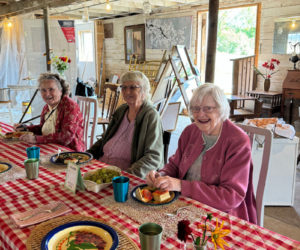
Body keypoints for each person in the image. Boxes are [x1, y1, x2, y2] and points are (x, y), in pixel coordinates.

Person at [146, 83, 257, 224]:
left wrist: (181, 185)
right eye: (196, 109)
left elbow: (230, 197)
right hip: (183, 204)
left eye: (208, 108)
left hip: (220, 215)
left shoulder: (238, 141)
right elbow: (174, 165)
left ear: (221, 109)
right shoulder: (190, 131)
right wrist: (160, 175)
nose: (200, 114)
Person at [87, 71, 164, 179]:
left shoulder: (150, 116)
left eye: (133, 87)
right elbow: (105, 139)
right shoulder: (121, 110)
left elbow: (154, 156)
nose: (127, 92)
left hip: (124, 175)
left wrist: (127, 176)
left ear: (144, 91)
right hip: (102, 168)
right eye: (124, 87)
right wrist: (87, 155)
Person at [14, 73, 84, 151]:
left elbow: (66, 137)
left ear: (60, 91)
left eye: (51, 89)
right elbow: (42, 129)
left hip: (69, 152)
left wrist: (36, 139)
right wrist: (26, 129)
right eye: (43, 90)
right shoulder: (46, 107)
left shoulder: (70, 106)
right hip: (49, 147)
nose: (47, 94)